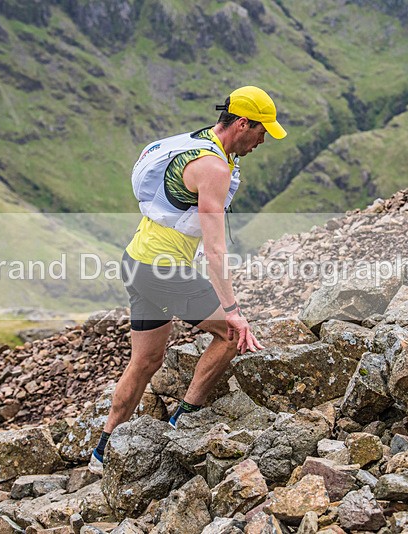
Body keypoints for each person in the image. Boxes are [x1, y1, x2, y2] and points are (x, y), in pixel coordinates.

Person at [89, 86, 287, 474]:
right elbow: (214, 251)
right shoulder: (214, 168)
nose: (264, 140)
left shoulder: (199, 141)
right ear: (243, 123)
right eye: (262, 131)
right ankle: (186, 419)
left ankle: (102, 453)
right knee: (232, 334)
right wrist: (233, 311)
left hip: (136, 262)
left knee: (145, 361)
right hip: (162, 271)